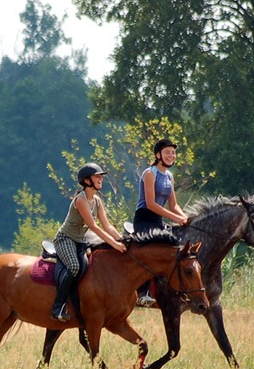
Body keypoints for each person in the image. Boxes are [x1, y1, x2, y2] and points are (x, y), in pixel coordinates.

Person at [51, 162, 127, 322]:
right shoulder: (80, 200)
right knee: (73, 266)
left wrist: (123, 239)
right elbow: (93, 226)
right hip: (65, 239)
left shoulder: (97, 201)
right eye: (97, 176)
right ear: (87, 181)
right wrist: (114, 244)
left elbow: (107, 225)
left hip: (80, 241)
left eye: (101, 176)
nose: (100, 179)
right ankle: (58, 307)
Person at [133, 138, 188, 306]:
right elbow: (151, 204)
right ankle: (142, 292)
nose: (171, 155)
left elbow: (174, 205)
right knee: (152, 251)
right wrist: (175, 218)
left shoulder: (169, 176)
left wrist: (185, 217)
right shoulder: (149, 173)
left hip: (158, 220)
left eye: (173, 152)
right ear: (158, 155)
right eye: (167, 152)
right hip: (144, 219)